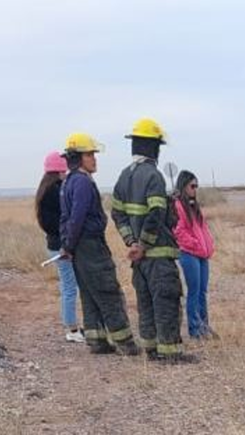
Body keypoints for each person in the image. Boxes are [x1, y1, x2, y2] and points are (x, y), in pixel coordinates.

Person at [111, 118, 196, 364]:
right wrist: (144, 245)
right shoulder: (154, 176)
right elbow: (157, 213)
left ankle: (151, 349)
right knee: (167, 300)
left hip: (139, 260)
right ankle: (170, 353)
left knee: (145, 302)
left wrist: (131, 242)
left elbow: (117, 213)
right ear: (153, 147)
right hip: (157, 255)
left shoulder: (124, 176)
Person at [59, 133, 139, 355]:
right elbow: (77, 217)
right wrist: (71, 244)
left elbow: (65, 219)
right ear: (78, 157)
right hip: (91, 247)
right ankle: (126, 344)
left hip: (79, 248)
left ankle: (97, 340)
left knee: (89, 293)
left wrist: (67, 245)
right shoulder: (83, 182)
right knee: (107, 291)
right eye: (90, 154)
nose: (94, 159)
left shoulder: (68, 182)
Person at [35, 151, 84, 343]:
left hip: (55, 245)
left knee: (67, 286)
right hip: (61, 247)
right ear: (59, 171)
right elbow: (63, 221)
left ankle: (72, 326)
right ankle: (72, 329)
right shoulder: (56, 192)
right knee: (70, 287)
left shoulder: (46, 191)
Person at [173, 171, 217, 340]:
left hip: (202, 255)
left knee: (202, 292)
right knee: (194, 291)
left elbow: (203, 227)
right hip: (189, 254)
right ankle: (194, 329)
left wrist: (209, 244)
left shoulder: (194, 205)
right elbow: (179, 231)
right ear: (183, 186)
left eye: (197, 186)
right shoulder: (177, 206)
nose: (195, 189)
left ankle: (204, 326)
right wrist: (196, 245)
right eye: (192, 186)